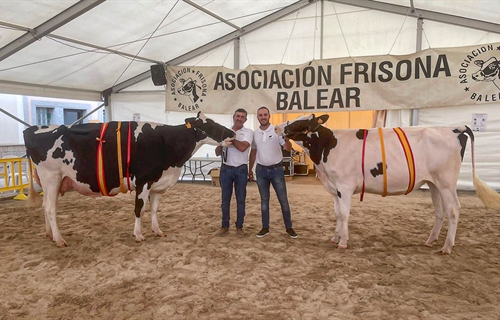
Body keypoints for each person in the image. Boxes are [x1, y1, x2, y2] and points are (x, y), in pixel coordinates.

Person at [249, 106, 298, 239]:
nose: (263, 117)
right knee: (264, 200)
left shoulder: (277, 130)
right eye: (260, 115)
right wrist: (250, 169)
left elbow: (288, 148)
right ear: (258, 117)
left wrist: (286, 137)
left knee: (283, 200)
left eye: (265, 114)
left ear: (269, 116)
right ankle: (265, 227)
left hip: (276, 170)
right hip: (261, 171)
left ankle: (289, 228)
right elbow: (253, 151)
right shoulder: (255, 134)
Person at [214, 108, 253, 238]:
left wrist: (230, 138)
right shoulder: (224, 132)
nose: (239, 118)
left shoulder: (248, 132)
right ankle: (224, 226)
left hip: (241, 169)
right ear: (233, 117)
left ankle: (239, 226)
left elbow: (243, 148)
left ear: (245, 120)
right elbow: (217, 152)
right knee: (225, 200)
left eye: (242, 117)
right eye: (238, 116)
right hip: (226, 168)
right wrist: (221, 144)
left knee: (240, 200)